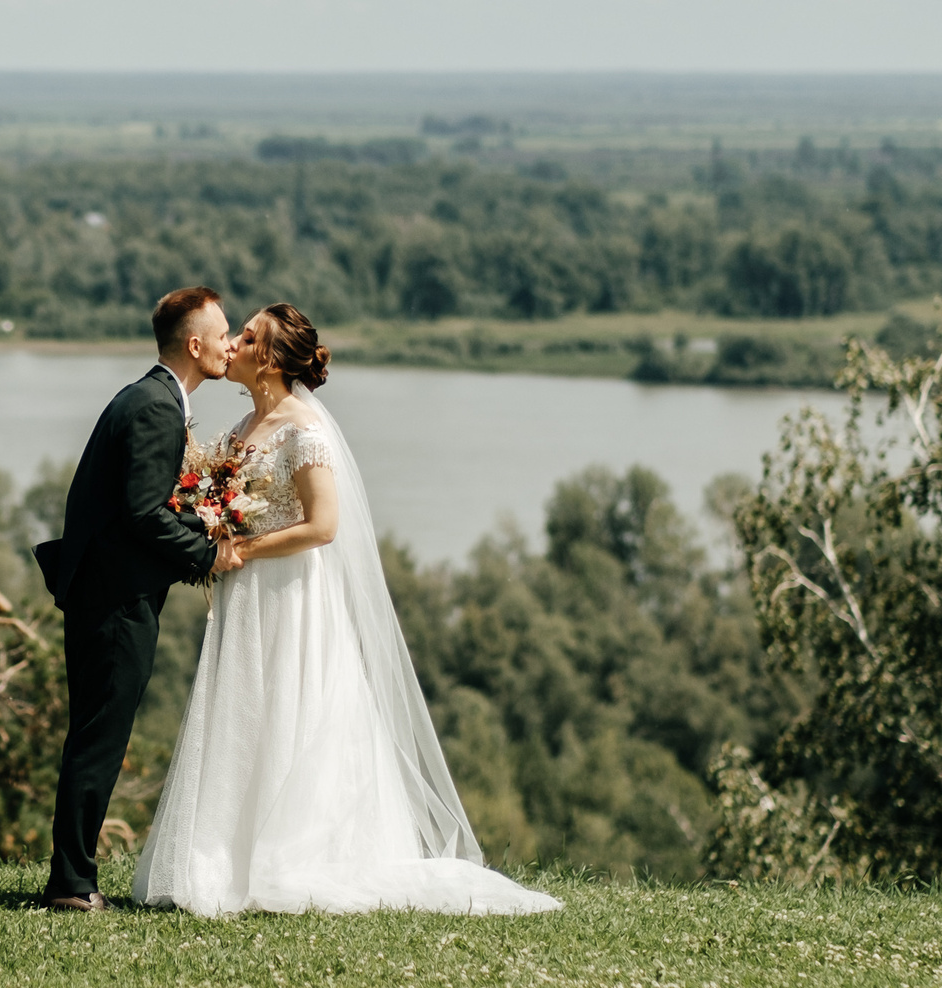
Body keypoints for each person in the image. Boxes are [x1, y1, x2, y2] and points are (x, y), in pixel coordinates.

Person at [133, 303, 560, 917]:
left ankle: (291, 855)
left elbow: (324, 525)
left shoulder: (304, 429)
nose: (237, 343)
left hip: (291, 595)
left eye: (248, 336)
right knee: (244, 712)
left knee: (290, 708)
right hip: (245, 594)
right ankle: (222, 856)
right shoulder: (238, 428)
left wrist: (240, 545)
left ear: (272, 360)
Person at [33, 287, 245, 912]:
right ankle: (71, 885)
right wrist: (208, 552)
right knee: (100, 740)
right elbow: (142, 513)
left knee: (94, 736)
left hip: (108, 595)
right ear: (195, 343)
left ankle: (71, 876)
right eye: (224, 333)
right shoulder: (155, 406)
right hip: (117, 602)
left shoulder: (147, 396)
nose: (231, 344)